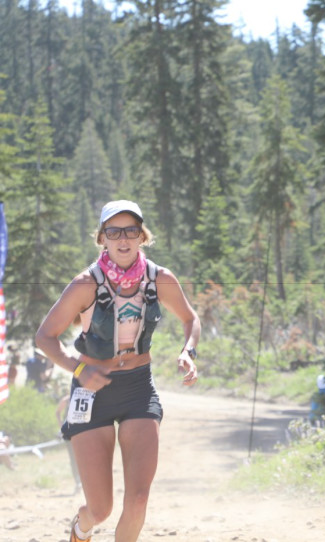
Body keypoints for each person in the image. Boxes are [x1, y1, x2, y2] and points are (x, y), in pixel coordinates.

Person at [35, 200, 201, 542]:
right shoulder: (85, 284)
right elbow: (44, 337)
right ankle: (81, 529)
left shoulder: (160, 278)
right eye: (113, 232)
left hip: (138, 388)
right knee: (100, 510)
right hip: (91, 391)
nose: (123, 239)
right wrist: (79, 369)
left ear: (142, 236)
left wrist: (189, 351)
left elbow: (190, 319)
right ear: (102, 239)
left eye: (130, 231)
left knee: (138, 499)